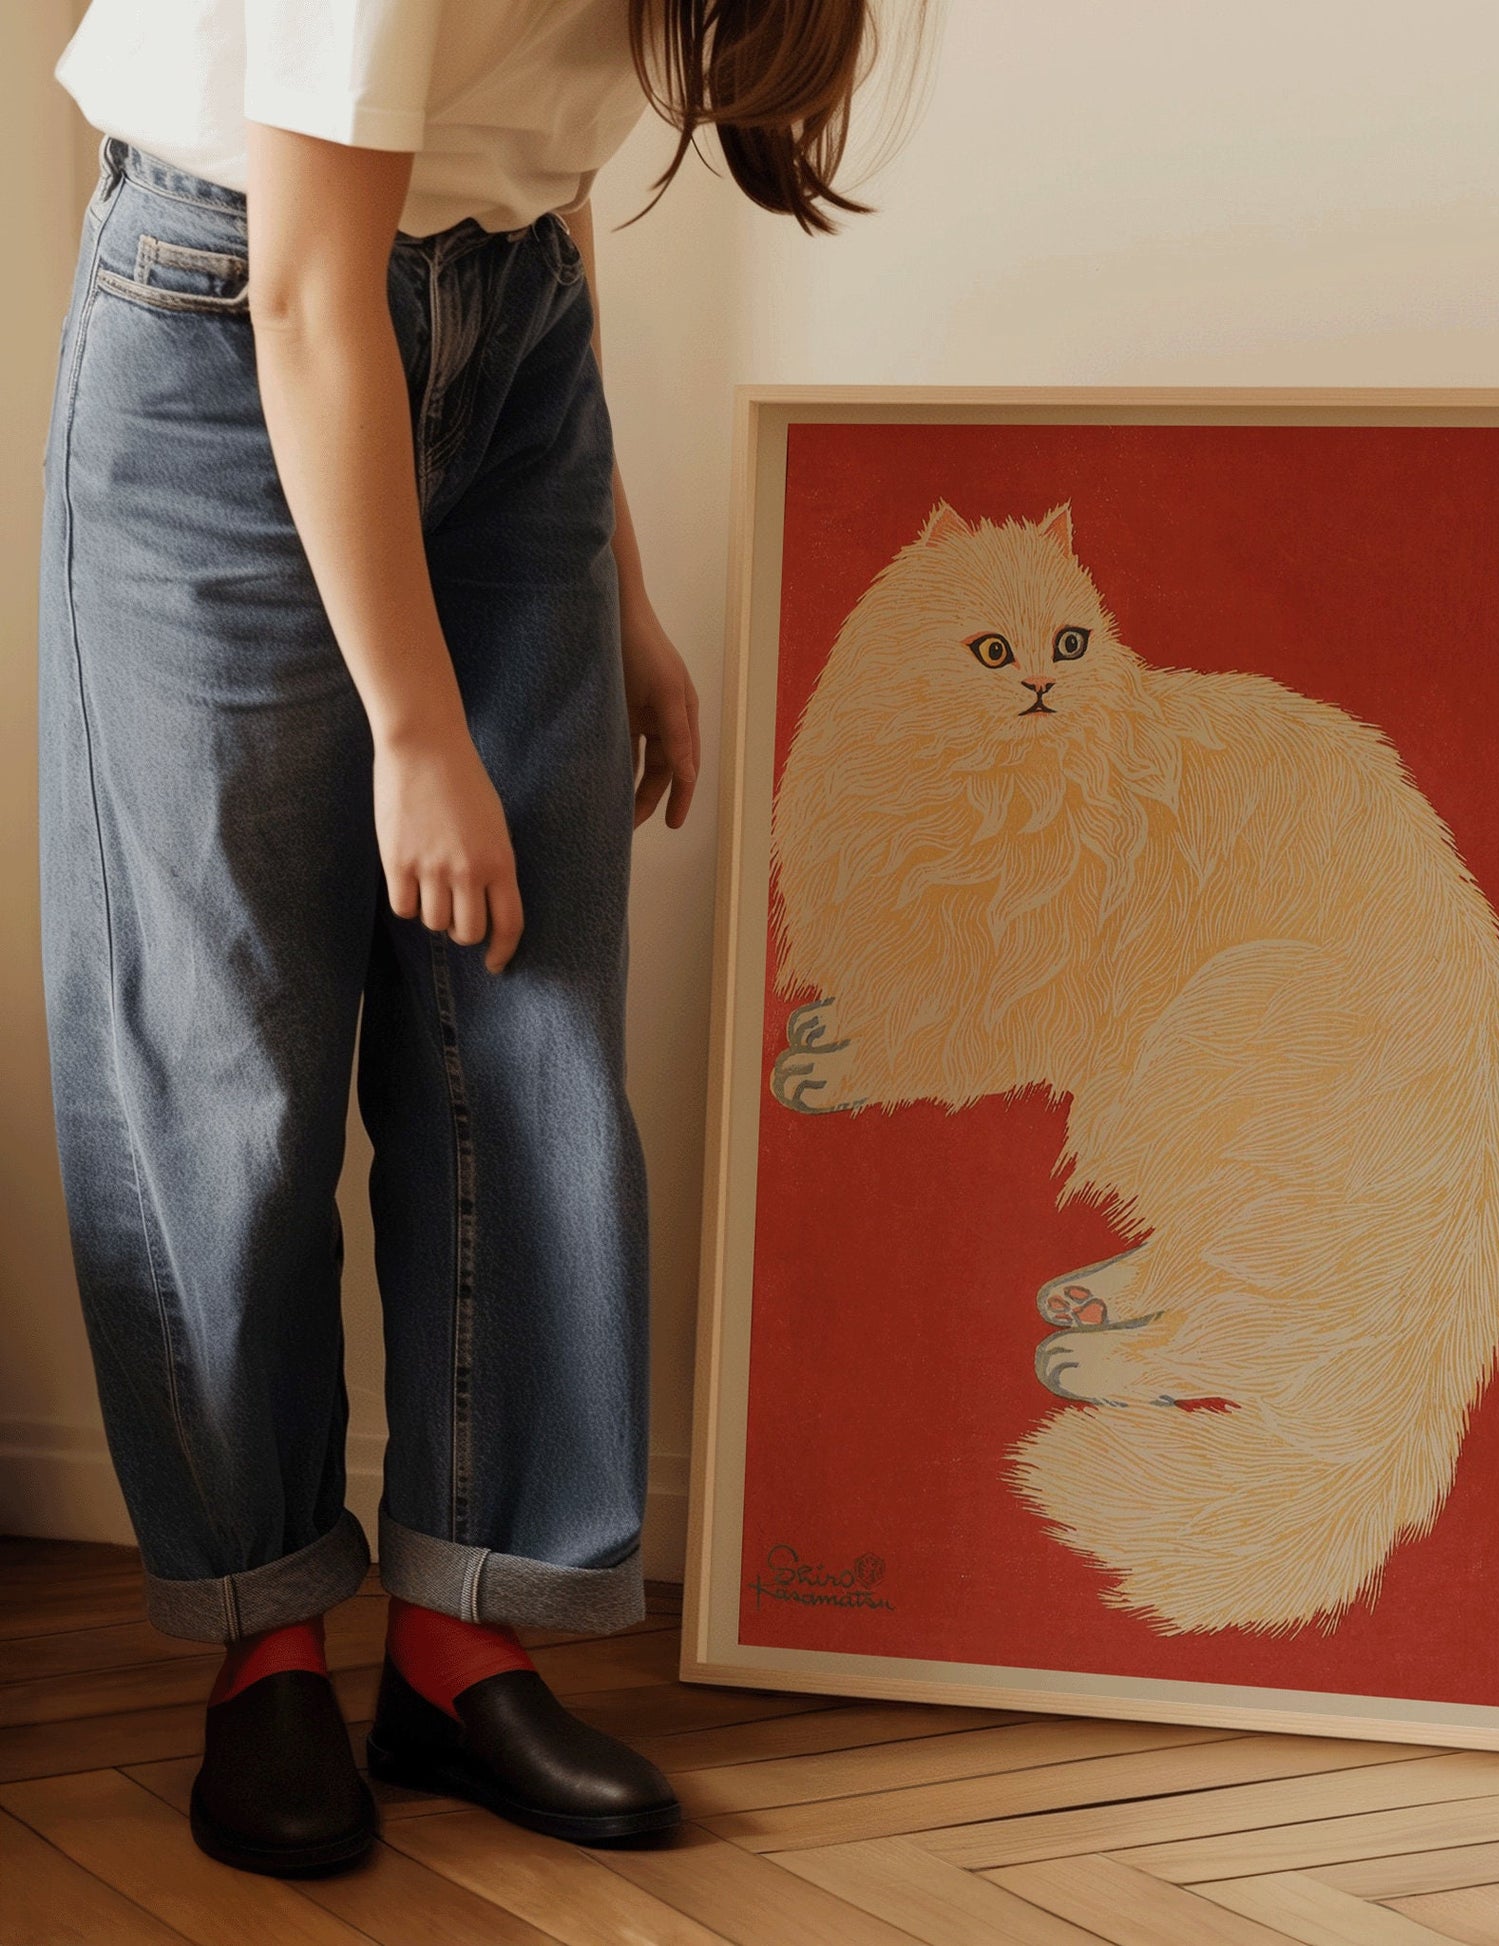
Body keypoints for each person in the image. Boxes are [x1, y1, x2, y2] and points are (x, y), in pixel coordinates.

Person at [42, 0, 894, 1878]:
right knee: (224, 1051)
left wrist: (620, 582)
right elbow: (305, 295)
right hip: (224, 330)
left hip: (506, 346)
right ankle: (264, 1638)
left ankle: (458, 1636)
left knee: (523, 1030)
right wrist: (417, 734)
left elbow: (530, 178)